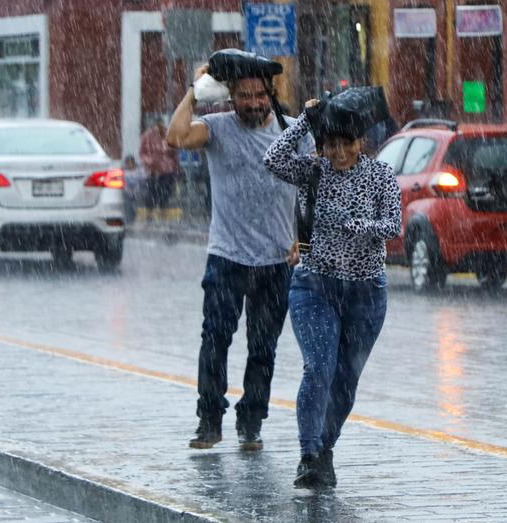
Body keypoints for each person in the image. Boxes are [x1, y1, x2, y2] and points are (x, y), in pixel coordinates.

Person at [166, 52, 313, 451]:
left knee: (263, 348)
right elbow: (175, 136)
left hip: (276, 260)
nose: (253, 102)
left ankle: (251, 422)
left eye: (259, 95)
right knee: (215, 341)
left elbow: (312, 189)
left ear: (270, 94)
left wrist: (304, 241)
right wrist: (195, 93)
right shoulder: (216, 128)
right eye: (244, 95)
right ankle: (209, 421)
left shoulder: (294, 131)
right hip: (227, 256)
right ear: (230, 97)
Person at [263, 88, 402, 488]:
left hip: (365, 294)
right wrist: (306, 120)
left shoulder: (380, 175)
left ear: (361, 142)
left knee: (345, 378)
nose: (339, 153)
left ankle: (325, 449)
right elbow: (272, 158)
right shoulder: (314, 171)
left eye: (347, 143)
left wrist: (355, 227)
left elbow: (392, 225)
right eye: (331, 145)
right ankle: (308, 454)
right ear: (321, 147)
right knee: (318, 368)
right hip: (315, 286)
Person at [139, 116, 180, 222]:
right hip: (153, 171)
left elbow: (174, 153)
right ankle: (150, 215)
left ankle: (163, 215)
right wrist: (149, 162)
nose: (160, 128)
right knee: (151, 193)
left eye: (161, 125)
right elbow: (142, 153)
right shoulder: (147, 136)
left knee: (166, 193)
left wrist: (176, 167)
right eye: (158, 126)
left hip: (168, 170)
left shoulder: (168, 135)